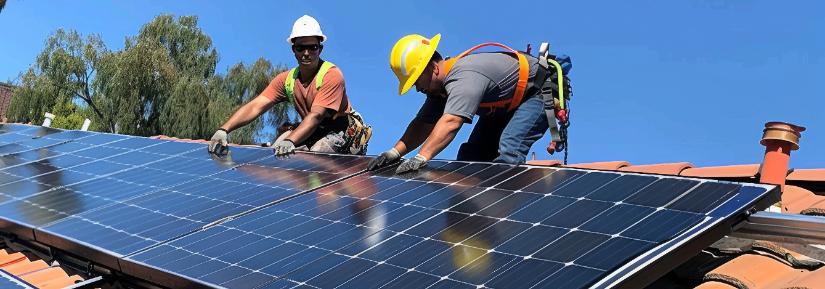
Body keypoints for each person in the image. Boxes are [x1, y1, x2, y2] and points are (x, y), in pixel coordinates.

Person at [368, 33, 567, 174]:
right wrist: (395, 152)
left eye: (416, 81)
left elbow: (452, 122)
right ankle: (477, 210)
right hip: (507, 105)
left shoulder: (463, 78)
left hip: (538, 92)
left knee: (509, 150)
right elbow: (423, 124)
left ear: (433, 69)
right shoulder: (439, 90)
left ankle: (502, 214)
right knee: (470, 157)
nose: (418, 89)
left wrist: (421, 157)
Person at [208, 15, 371, 156]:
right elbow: (257, 105)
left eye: (312, 47)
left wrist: (291, 141)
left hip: (341, 131)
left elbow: (316, 116)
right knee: (275, 152)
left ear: (320, 49)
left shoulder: (331, 75)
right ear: (293, 49)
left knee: (312, 160)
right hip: (313, 129)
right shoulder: (286, 80)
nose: (306, 53)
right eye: (301, 48)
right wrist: (224, 130)